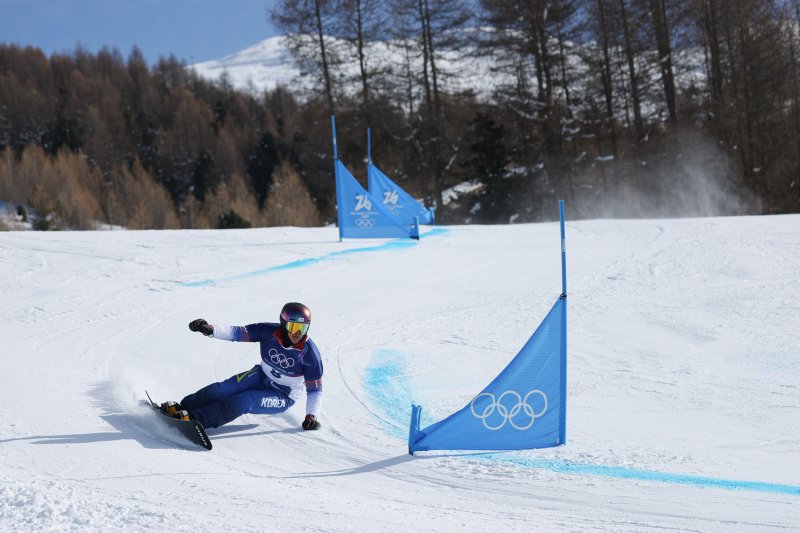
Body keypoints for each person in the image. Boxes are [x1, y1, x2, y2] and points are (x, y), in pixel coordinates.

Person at [161, 302, 322, 431]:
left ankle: (195, 420)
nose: (298, 334)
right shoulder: (268, 332)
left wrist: (311, 415)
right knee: (219, 390)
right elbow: (238, 333)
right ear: (283, 324)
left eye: (303, 328)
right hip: (260, 376)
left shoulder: (309, 353)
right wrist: (210, 329)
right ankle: (183, 407)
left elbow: (315, 390)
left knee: (242, 401)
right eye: (294, 327)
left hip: (283, 394)